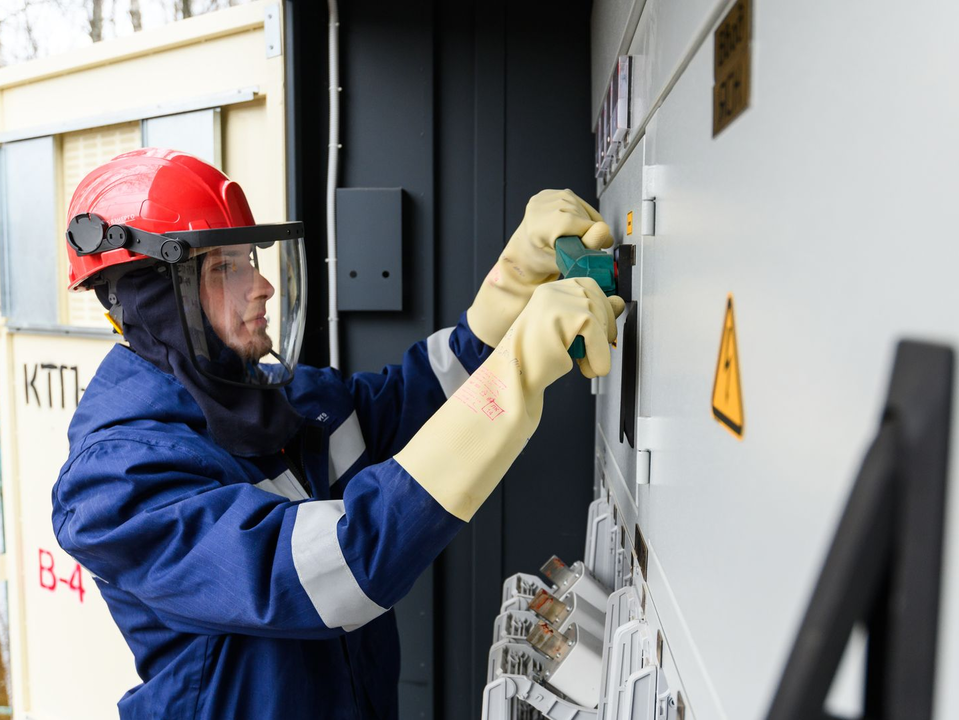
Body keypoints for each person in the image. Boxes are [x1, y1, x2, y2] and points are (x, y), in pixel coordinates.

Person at [52, 148, 624, 719]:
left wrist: (508, 296)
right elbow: (338, 568)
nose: (262, 287)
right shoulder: (118, 485)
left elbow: (413, 401)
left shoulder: (283, 400)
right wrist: (514, 375)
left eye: (250, 257)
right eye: (224, 267)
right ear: (155, 302)